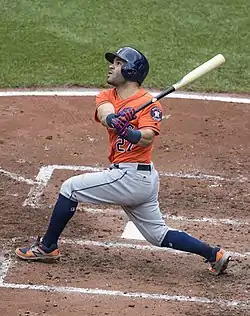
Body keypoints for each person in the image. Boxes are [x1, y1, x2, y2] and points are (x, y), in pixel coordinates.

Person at [15, 46, 231, 276]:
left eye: (118, 63)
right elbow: (104, 113)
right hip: (137, 179)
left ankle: (47, 247)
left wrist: (128, 131)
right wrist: (115, 119)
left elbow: (146, 139)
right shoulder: (107, 96)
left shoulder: (150, 104)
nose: (111, 66)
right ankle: (214, 254)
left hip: (132, 177)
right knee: (158, 235)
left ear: (131, 70)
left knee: (70, 188)